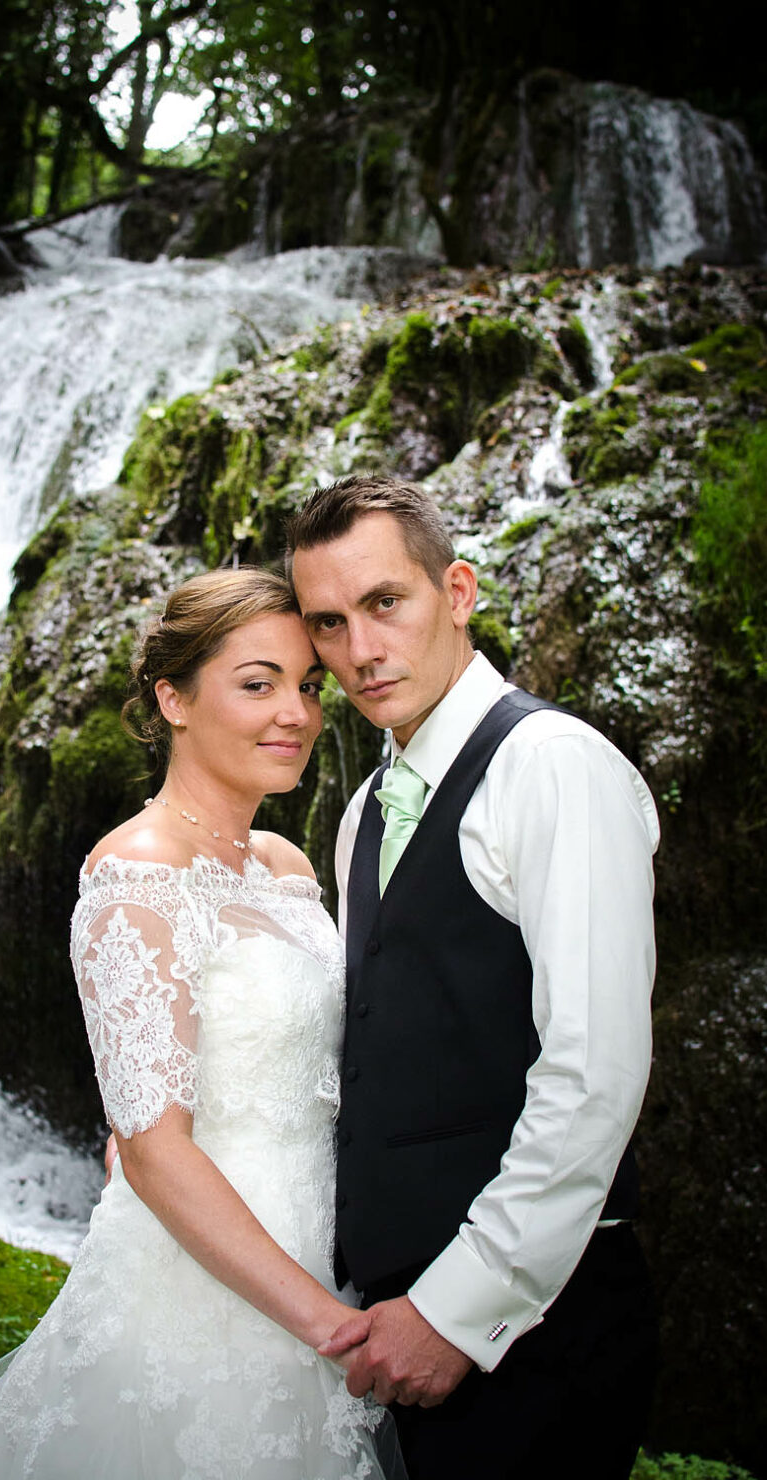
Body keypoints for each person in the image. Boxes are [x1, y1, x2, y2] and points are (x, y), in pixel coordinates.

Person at [0, 566, 403, 1480]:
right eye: (258, 683)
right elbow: (156, 1148)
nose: (297, 713)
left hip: (321, 1240)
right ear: (172, 697)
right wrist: (330, 1326)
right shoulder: (135, 874)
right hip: (203, 1293)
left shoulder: (286, 865)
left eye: (307, 685)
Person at [286, 475, 660, 1480]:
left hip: (532, 1331)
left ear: (456, 591)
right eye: (326, 622)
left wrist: (458, 1310)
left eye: (383, 603)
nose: (358, 650)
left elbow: (594, 1073)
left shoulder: (552, 768)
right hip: (387, 1324)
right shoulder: (364, 808)